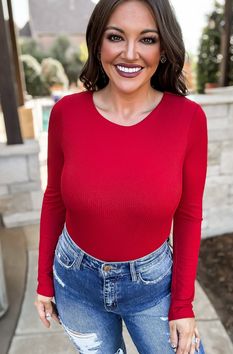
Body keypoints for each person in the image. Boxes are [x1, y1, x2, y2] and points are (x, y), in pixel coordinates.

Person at [34, 0, 208, 353]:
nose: (130, 54)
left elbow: (188, 214)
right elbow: (54, 198)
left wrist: (182, 304)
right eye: (116, 37)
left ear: (163, 48)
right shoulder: (67, 113)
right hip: (75, 282)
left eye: (147, 39)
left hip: (153, 287)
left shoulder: (187, 119)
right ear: (98, 43)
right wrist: (43, 282)